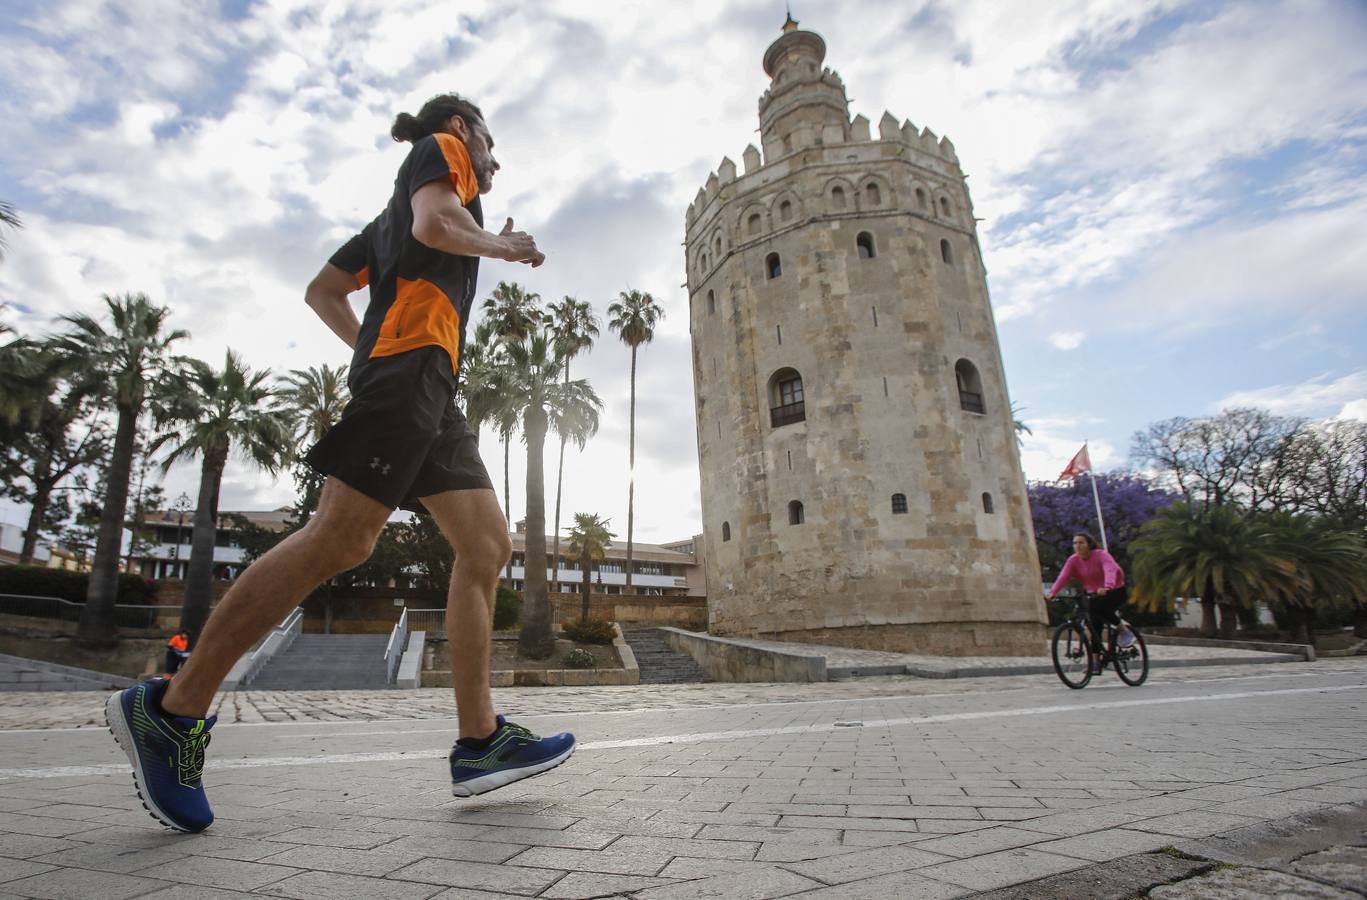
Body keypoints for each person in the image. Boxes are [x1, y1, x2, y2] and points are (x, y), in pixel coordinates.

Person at [106, 94, 574, 834]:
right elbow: (435, 223)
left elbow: (322, 290)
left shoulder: (383, 225)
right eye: (488, 142)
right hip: (409, 372)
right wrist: (499, 248)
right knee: (340, 539)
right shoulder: (438, 154)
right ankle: (172, 709)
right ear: (462, 131)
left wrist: (366, 349)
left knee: (486, 544)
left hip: (429, 383)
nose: (494, 158)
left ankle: (480, 742)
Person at [1046, 532, 1135, 670]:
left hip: (1115, 590)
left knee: (1102, 610)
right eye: (1075, 543)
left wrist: (1107, 586)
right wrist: (1052, 592)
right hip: (1094, 593)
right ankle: (1095, 663)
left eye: (1081, 542)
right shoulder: (1073, 560)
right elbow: (1063, 576)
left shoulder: (1101, 555)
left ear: (1089, 544)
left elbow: (1110, 569)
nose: (1078, 546)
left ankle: (1123, 630)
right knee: (1094, 627)